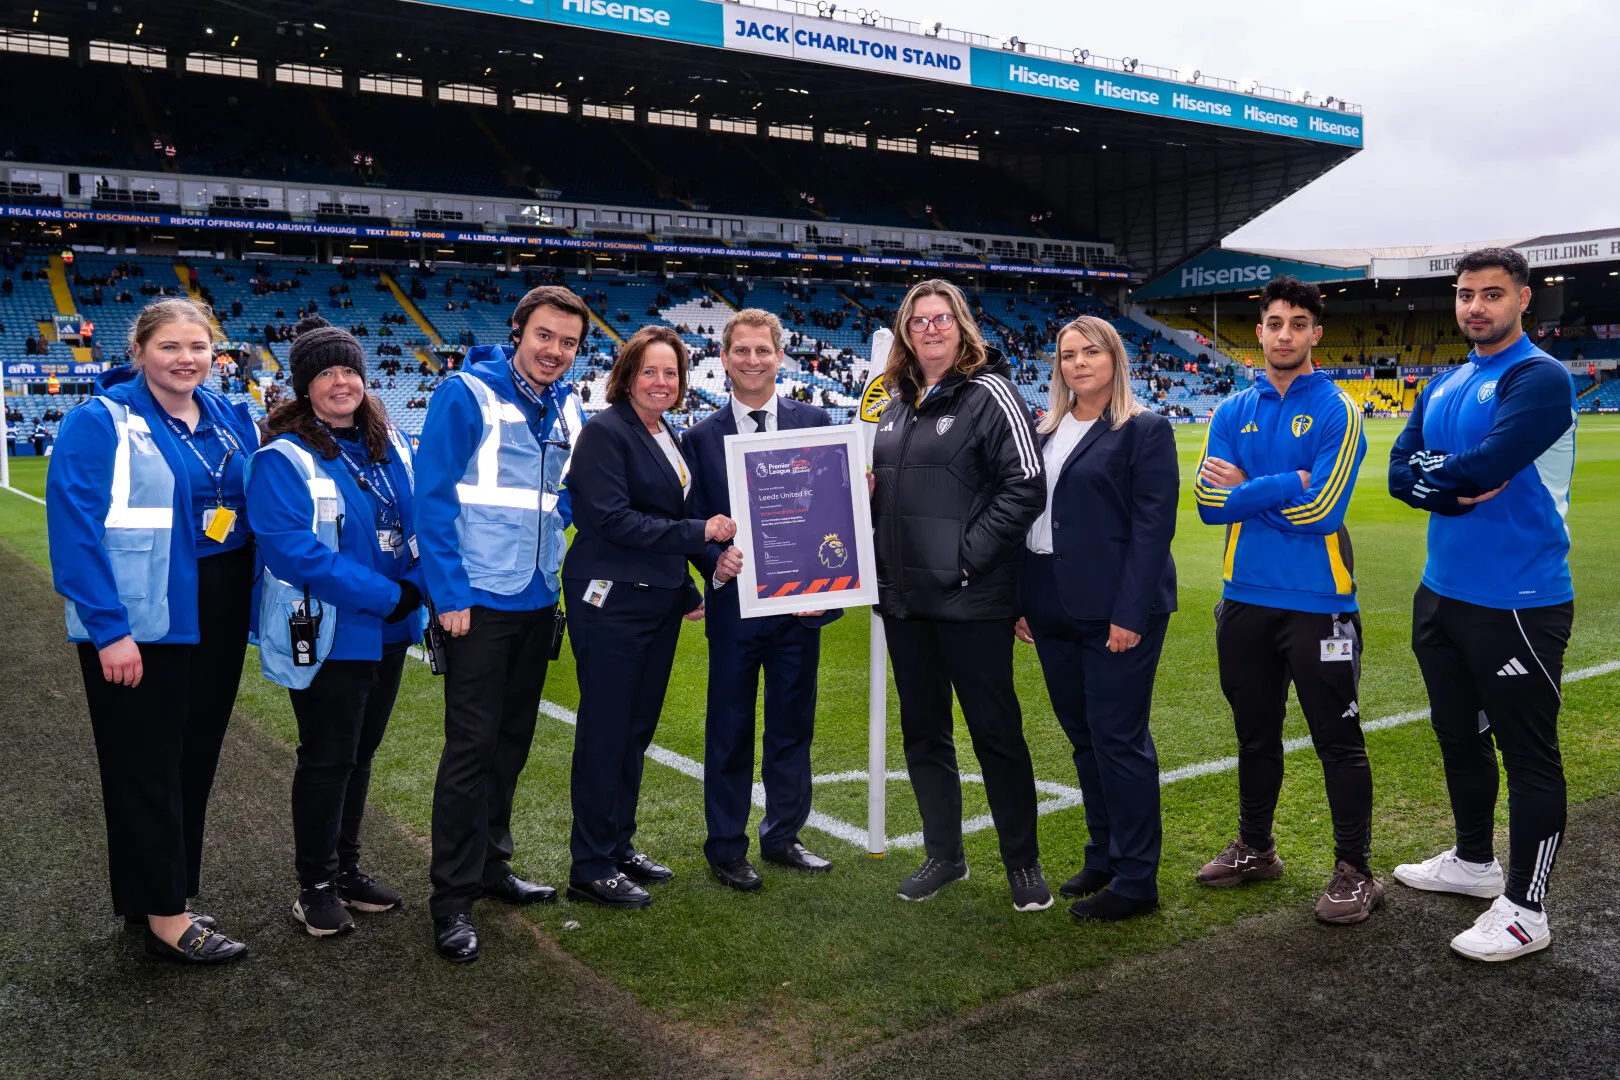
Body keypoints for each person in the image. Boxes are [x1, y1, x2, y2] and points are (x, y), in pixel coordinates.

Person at [45, 296, 258, 964]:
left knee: (192, 760)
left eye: (197, 347)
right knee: (144, 766)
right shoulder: (99, 421)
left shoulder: (228, 416)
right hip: (141, 621)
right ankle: (168, 915)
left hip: (215, 613)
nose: (185, 359)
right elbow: (74, 532)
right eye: (169, 346)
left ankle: (163, 892)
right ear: (138, 351)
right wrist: (109, 631)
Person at [1387, 248, 1578, 961]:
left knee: (1530, 755)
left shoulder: (1539, 377)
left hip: (1519, 600)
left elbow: (1489, 467)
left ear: (1523, 300)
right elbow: (1399, 475)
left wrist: (1440, 477)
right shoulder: (1445, 382)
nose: (1476, 306)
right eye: (1466, 294)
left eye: (1492, 294)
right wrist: (1444, 480)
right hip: (1441, 594)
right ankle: (1473, 863)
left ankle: (1528, 910)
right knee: (1458, 736)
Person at [1193, 276, 1378, 925]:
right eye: (1274, 323)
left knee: (1338, 740)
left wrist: (1252, 488)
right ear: (1260, 331)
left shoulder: (1339, 409)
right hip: (1244, 601)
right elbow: (1209, 506)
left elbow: (1325, 511)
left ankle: (1356, 871)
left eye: (1298, 324)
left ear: (1315, 333)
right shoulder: (1228, 411)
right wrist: (1287, 483)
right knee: (1254, 736)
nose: (1284, 334)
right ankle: (1256, 848)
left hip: (1319, 602)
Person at [415, 285, 590, 962]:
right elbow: (430, 497)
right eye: (544, 336)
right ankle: (451, 898)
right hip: (477, 602)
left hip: (537, 598)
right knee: (470, 750)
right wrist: (448, 593)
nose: (554, 351)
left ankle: (492, 863)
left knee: (511, 743)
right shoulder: (466, 393)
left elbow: (565, 495)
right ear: (518, 331)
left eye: (568, 342)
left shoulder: (568, 402)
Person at [868, 279, 1050, 912]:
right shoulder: (895, 403)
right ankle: (945, 855)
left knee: (995, 732)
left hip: (973, 601)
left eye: (942, 319)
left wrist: (963, 560)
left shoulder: (991, 392)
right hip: (905, 604)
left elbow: (1026, 486)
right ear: (905, 332)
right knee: (924, 734)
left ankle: (1022, 863)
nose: (931, 329)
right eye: (919, 321)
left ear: (962, 325)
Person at [247, 318, 425, 938]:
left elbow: (423, 519)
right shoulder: (281, 456)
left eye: (348, 369)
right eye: (325, 373)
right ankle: (315, 885)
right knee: (327, 758)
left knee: (361, 755)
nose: (341, 381)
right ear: (304, 387)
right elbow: (295, 552)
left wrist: (419, 587)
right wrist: (389, 594)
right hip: (326, 627)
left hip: (391, 628)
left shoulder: (391, 442)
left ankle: (347, 869)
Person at [562, 325, 733, 910]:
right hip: (609, 598)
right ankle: (589, 865)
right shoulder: (606, 432)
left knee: (634, 730)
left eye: (672, 372)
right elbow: (613, 520)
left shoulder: (668, 434)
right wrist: (701, 533)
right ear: (628, 374)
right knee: (606, 731)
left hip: (653, 600)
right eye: (650, 371)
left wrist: (698, 576)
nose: (662, 382)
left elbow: (671, 517)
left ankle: (617, 845)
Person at [1014, 316, 1178, 922]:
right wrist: (1019, 601)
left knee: (1119, 740)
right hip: (1050, 603)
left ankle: (1138, 879)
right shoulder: (1043, 430)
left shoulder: (1144, 430)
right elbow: (1023, 516)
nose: (1079, 363)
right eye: (1067, 354)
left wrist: (1129, 612)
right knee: (1085, 740)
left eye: (1091, 352)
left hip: (1116, 612)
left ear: (1115, 358)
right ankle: (1105, 852)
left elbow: (1152, 530)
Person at [684, 309, 841, 892]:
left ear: (780, 356)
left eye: (763, 351)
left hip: (801, 608)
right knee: (728, 729)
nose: (752, 361)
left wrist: (832, 591)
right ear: (723, 359)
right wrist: (711, 560)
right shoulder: (700, 437)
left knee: (791, 727)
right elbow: (690, 521)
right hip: (734, 610)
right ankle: (726, 846)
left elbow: (833, 513)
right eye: (741, 351)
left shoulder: (815, 420)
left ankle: (783, 836)